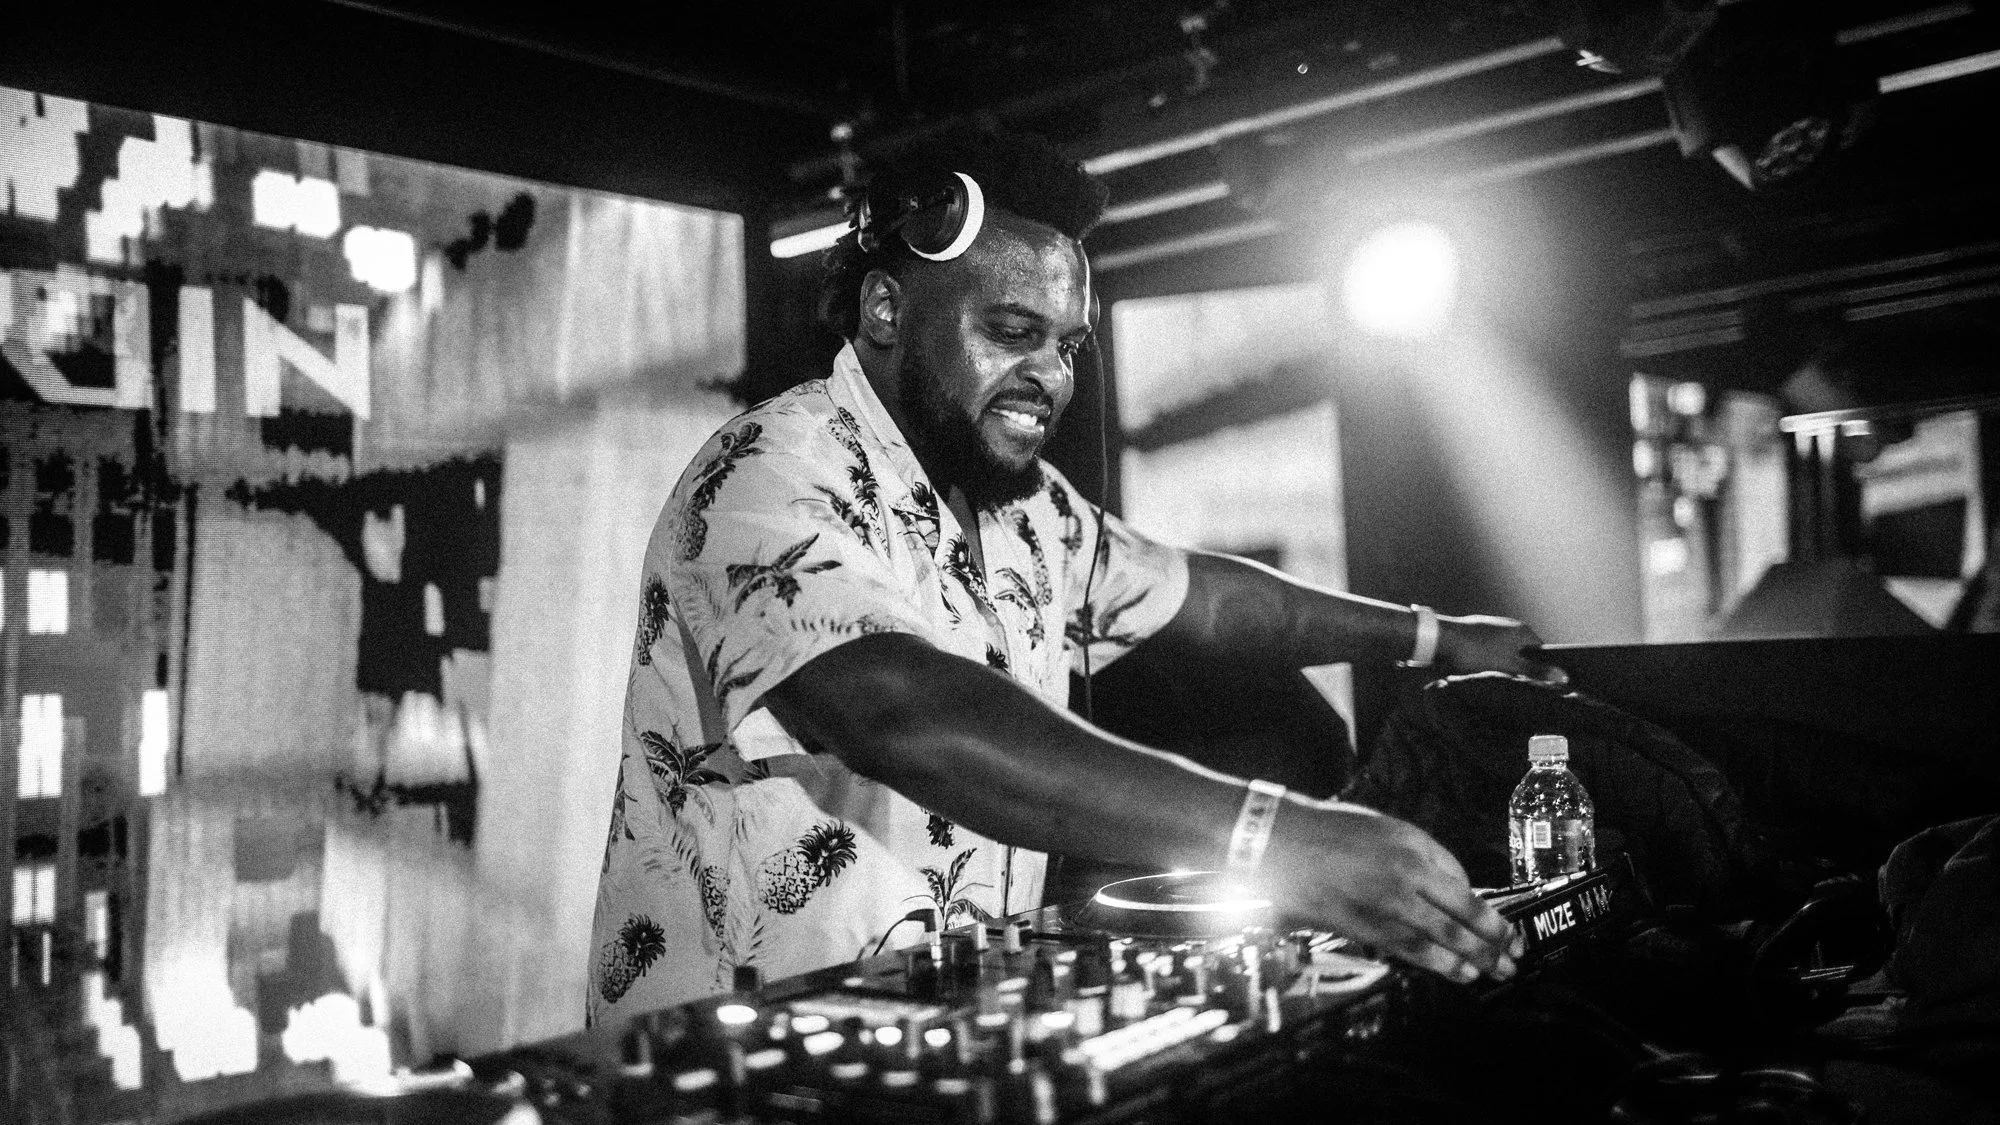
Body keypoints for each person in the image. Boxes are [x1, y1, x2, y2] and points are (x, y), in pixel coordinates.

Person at [587, 128, 1557, 1023]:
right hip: (738, 1055)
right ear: (886, 308)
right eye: (1011, 332)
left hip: (936, 1036)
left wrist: (1436, 636)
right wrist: (1272, 839)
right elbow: (901, 716)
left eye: (1068, 345)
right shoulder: (768, 473)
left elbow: (1210, 601)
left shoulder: (1029, 508)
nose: (1051, 375)